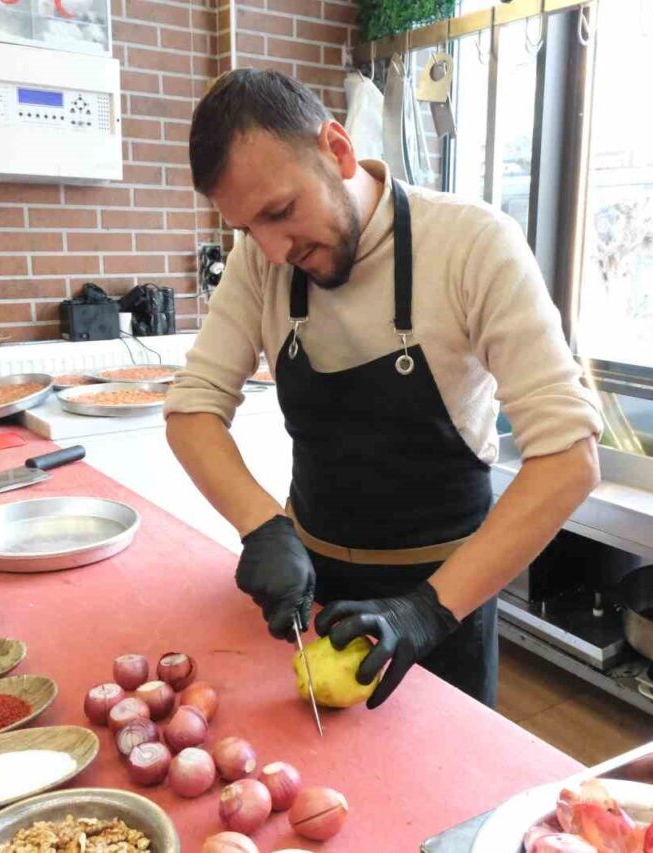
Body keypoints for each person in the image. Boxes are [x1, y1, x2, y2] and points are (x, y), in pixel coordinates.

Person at [164, 69, 602, 709]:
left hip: (445, 601)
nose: (274, 251)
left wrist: (427, 610)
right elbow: (191, 410)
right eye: (249, 228)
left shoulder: (472, 244)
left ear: (338, 151)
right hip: (313, 594)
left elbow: (569, 459)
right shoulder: (260, 261)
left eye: (281, 213)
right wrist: (262, 525)